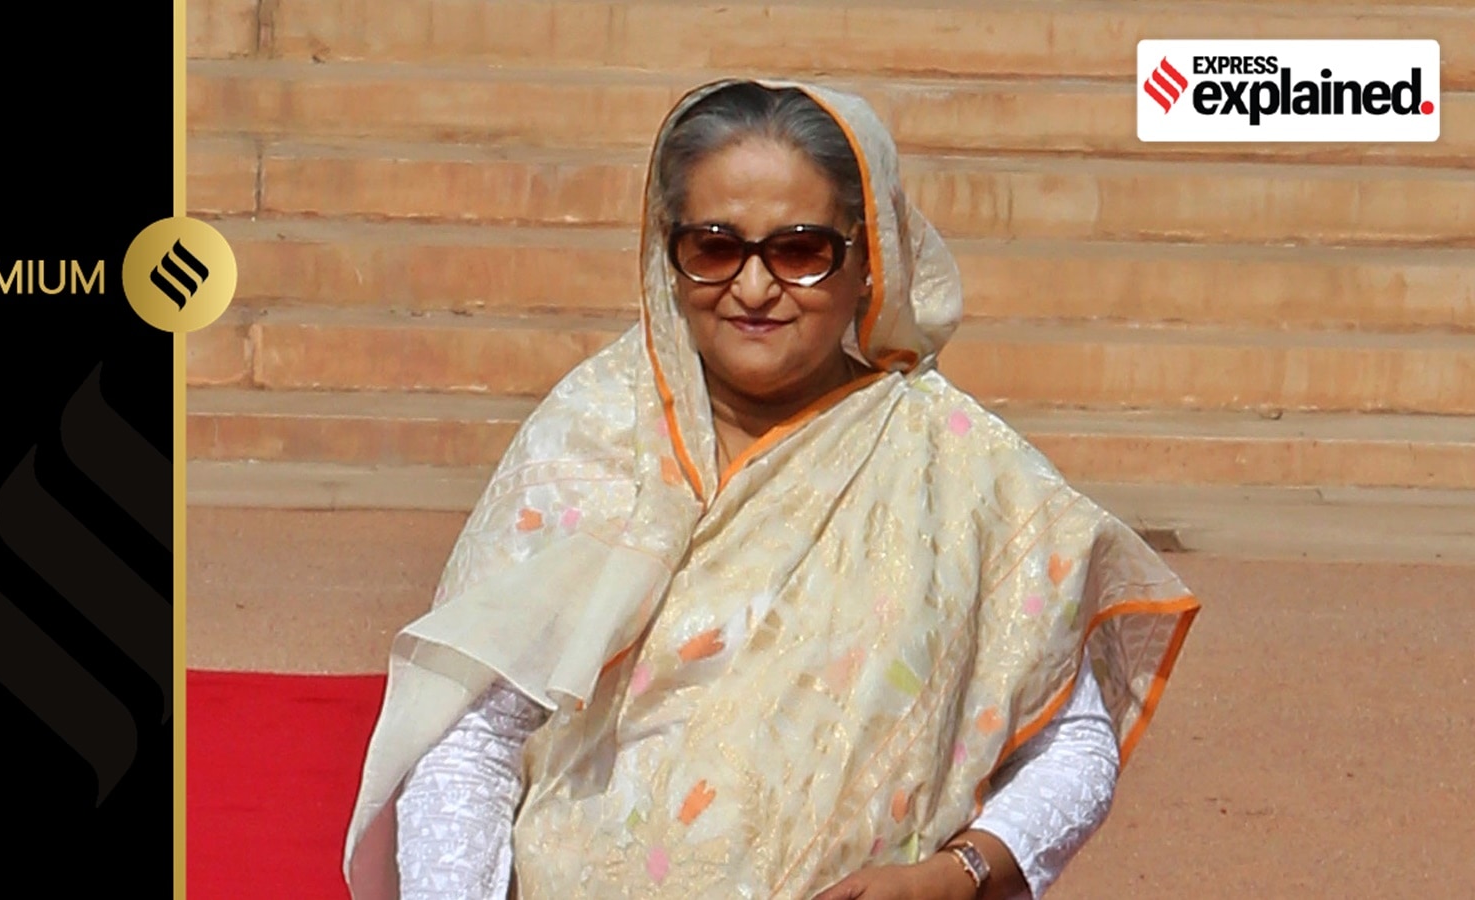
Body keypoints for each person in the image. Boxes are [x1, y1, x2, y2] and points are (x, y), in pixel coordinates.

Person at [343, 78, 1199, 900]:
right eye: (716, 246)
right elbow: (475, 740)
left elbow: (1073, 742)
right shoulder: (596, 443)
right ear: (669, 257)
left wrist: (958, 874)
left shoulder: (960, 466)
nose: (753, 288)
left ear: (869, 262)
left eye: (799, 250)